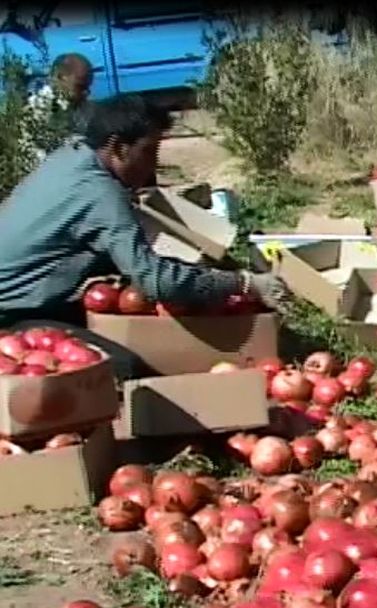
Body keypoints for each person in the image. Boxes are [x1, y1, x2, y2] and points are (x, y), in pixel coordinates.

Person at [0, 93, 289, 378]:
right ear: (118, 148)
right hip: (12, 314)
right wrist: (244, 283)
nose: (153, 165)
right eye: (149, 151)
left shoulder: (71, 156)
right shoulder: (100, 194)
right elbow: (156, 283)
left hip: (28, 294)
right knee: (125, 368)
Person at [22, 52, 94, 163]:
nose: (86, 93)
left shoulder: (77, 102)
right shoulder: (40, 109)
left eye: (88, 87)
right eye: (80, 86)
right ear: (60, 77)